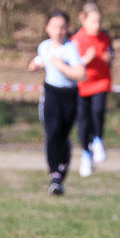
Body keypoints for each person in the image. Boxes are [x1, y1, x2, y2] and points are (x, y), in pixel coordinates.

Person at [27, 10, 93, 195]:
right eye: (56, 27)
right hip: (51, 94)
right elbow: (41, 59)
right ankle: (54, 175)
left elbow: (81, 74)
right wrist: (35, 65)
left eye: (63, 27)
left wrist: (61, 66)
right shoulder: (44, 46)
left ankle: (61, 173)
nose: (60, 31)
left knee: (63, 137)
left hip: (69, 96)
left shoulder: (70, 49)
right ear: (48, 28)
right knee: (52, 133)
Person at [71, 1, 114, 178]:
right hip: (82, 85)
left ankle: (98, 140)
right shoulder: (76, 39)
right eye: (93, 22)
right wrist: (84, 60)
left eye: (99, 22)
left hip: (101, 82)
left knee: (98, 111)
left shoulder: (104, 37)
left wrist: (109, 57)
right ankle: (86, 154)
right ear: (84, 20)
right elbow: (72, 64)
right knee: (83, 120)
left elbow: (112, 55)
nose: (97, 26)